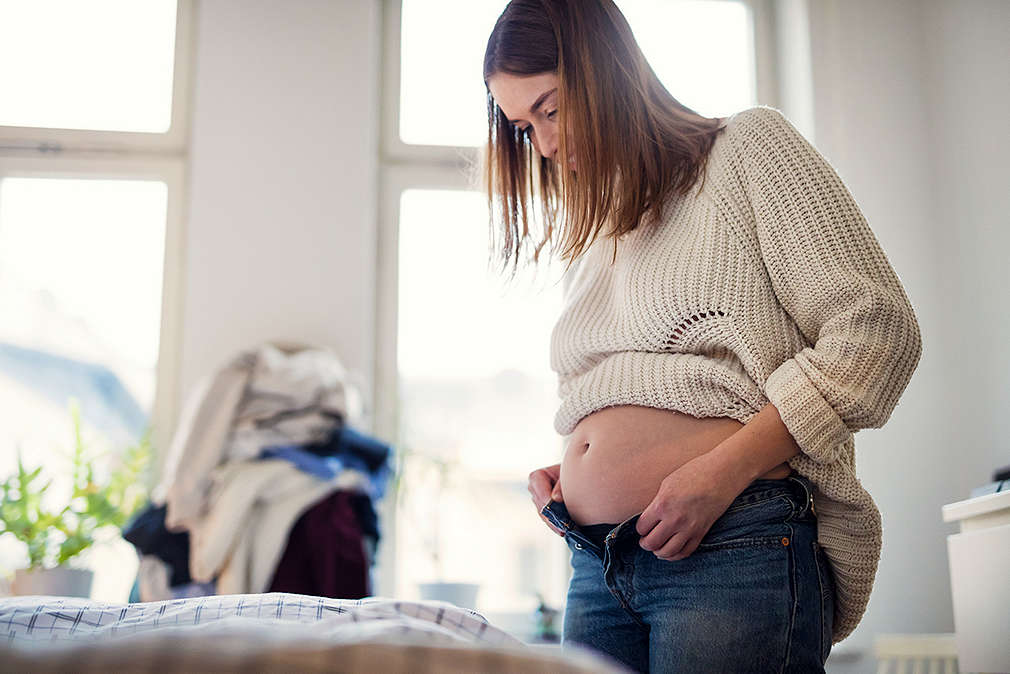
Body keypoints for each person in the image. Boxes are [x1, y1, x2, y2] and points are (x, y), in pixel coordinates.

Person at [481, 1, 923, 673]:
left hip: (730, 543)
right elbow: (639, 387)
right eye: (522, 127)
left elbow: (878, 330)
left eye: (549, 109)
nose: (542, 145)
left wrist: (723, 469)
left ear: (606, 71)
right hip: (596, 564)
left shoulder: (744, 150)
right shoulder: (596, 229)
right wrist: (575, 467)